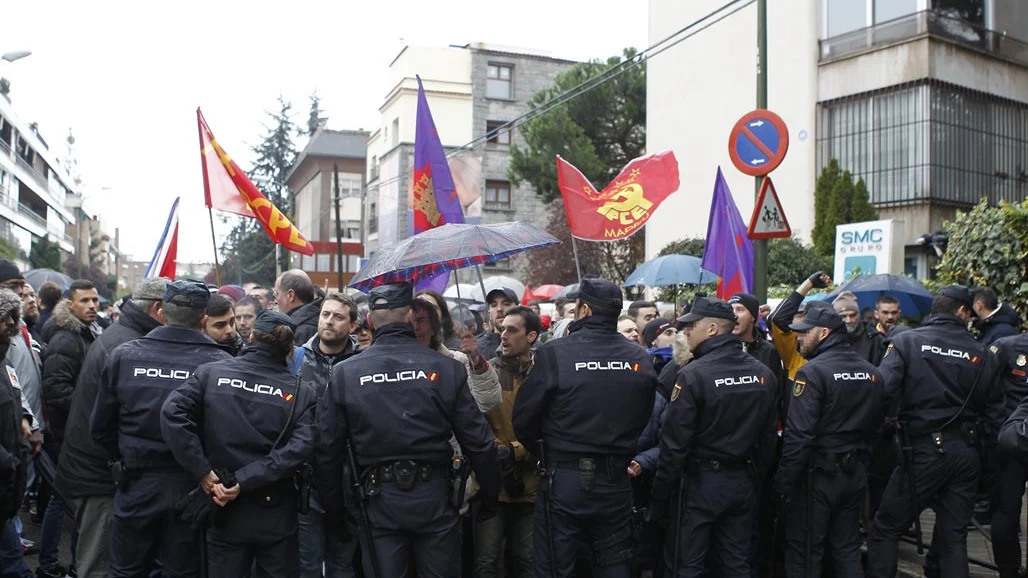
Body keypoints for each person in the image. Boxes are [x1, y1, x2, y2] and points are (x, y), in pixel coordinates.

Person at [315, 282, 501, 577]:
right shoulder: (446, 368)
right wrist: (490, 495)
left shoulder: (345, 373)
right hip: (434, 497)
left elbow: (327, 450)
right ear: (410, 318)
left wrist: (336, 511)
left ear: (372, 321)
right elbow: (479, 442)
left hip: (378, 500)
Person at [513, 278, 657, 578]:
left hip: (565, 477)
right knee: (614, 562)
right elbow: (643, 415)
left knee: (556, 564)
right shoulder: (639, 358)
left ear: (584, 309)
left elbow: (524, 418)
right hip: (615, 478)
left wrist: (549, 449)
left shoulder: (555, 353)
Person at [90, 280, 234, 578]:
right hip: (189, 484)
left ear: (162, 313)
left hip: (143, 482)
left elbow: (100, 427)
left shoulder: (125, 355)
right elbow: (225, 434)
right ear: (204, 319)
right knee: (180, 570)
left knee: (126, 570)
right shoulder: (222, 364)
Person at [162, 310, 317, 578]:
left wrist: (203, 471)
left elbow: (171, 413)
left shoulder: (211, 374)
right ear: (290, 348)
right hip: (274, 510)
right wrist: (242, 480)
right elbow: (298, 449)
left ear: (253, 336)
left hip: (222, 502)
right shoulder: (301, 391)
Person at [866, 285, 1006, 577]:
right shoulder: (982, 354)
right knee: (953, 537)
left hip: (921, 452)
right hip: (965, 453)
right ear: (963, 312)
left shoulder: (907, 343)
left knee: (886, 528)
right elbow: (994, 416)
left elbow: (881, 392)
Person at [649, 297, 777, 577]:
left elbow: (673, 446)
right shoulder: (763, 374)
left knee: (688, 564)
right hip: (742, 481)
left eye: (691, 326)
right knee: (736, 563)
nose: (685, 333)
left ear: (712, 330)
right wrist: (755, 477)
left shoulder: (692, 375)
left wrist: (660, 499)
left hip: (700, 484)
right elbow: (768, 439)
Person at [54, 278, 167, 578]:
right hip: (97, 476)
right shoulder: (126, 345)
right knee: (98, 564)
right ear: (158, 309)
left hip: (94, 470)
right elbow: (113, 419)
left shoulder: (125, 335)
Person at [772, 302, 884, 577]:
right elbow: (877, 428)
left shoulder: (811, 373)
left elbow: (799, 436)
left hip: (817, 476)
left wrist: (784, 483)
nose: (798, 337)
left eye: (804, 332)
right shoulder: (872, 372)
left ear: (823, 333)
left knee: (805, 550)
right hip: (853, 472)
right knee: (847, 548)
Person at [39, 279, 101, 576]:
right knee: (65, 499)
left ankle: (62, 562)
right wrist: (89, 410)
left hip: (76, 431)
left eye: (94, 300)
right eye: (85, 301)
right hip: (68, 433)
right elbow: (56, 390)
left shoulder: (86, 332)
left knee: (66, 497)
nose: (91, 306)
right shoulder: (66, 339)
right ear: (70, 303)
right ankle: (52, 563)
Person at [297, 294, 361, 578]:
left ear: (353, 324)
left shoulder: (363, 363)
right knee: (307, 565)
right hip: (305, 480)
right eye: (325, 314)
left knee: (342, 564)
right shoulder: (296, 358)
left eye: (338, 317)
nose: (329, 321)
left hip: (349, 480)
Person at [477, 306, 541, 578]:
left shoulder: (544, 374)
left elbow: (547, 426)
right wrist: (498, 452)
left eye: (512, 330)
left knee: (527, 561)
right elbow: (475, 424)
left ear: (532, 336)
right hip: (492, 485)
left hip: (531, 486)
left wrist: (516, 451)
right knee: (487, 562)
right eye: (502, 328)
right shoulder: (486, 373)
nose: (504, 335)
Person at [411, 298, 501, 413]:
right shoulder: (389, 364)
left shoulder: (457, 361)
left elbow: (488, 403)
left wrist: (476, 362)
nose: (415, 328)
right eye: (409, 322)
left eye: (421, 320)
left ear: (434, 327)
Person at [0, 287, 34, 578]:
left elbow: (14, 396)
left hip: (6, 487)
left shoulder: (3, 363)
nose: (11, 323)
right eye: (4, 317)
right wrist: (6, 462)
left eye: (14, 316)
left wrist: (24, 418)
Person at [987, 331, 1028, 578]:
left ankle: (1009, 571)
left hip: (1010, 436)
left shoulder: (1005, 345)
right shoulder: (1006, 347)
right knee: (1006, 513)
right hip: (1011, 442)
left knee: (1005, 511)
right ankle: (1009, 570)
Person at [832, 292, 887, 365]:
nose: (848, 320)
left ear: (858, 315)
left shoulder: (875, 338)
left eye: (852, 315)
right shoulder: (829, 338)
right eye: (843, 316)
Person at [275, 270, 323, 345]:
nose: (275, 301)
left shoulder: (302, 331)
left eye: (276, 294)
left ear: (291, 295)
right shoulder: (310, 321)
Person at [477, 287, 518, 360]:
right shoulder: (478, 348)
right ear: (489, 313)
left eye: (506, 304)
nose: (499, 309)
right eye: (494, 305)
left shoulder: (531, 345)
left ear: (518, 309)